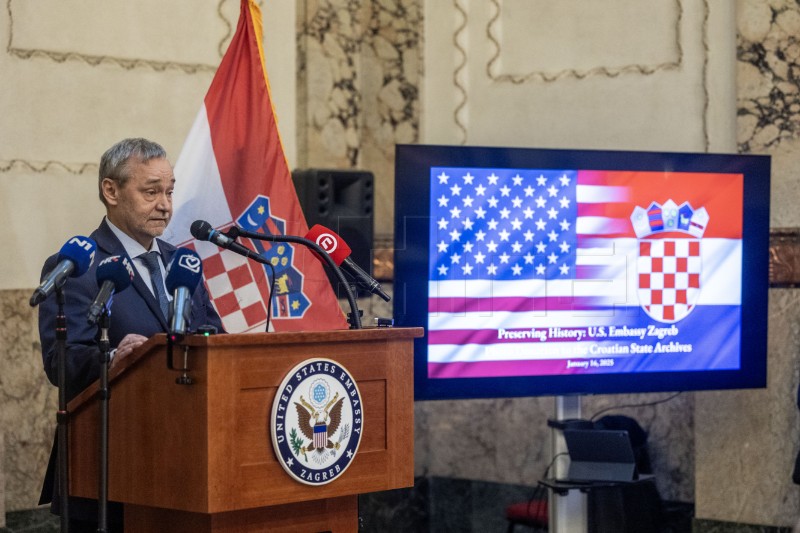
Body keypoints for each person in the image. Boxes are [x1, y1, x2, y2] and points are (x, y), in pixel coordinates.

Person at [37, 138, 224, 531]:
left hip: (185, 463)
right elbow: (62, 363)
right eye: (151, 191)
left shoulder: (182, 262)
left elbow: (213, 339)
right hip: (110, 467)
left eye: (170, 192)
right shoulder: (78, 265)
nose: (165, 205)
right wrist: (112, 357)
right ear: (111, 191)